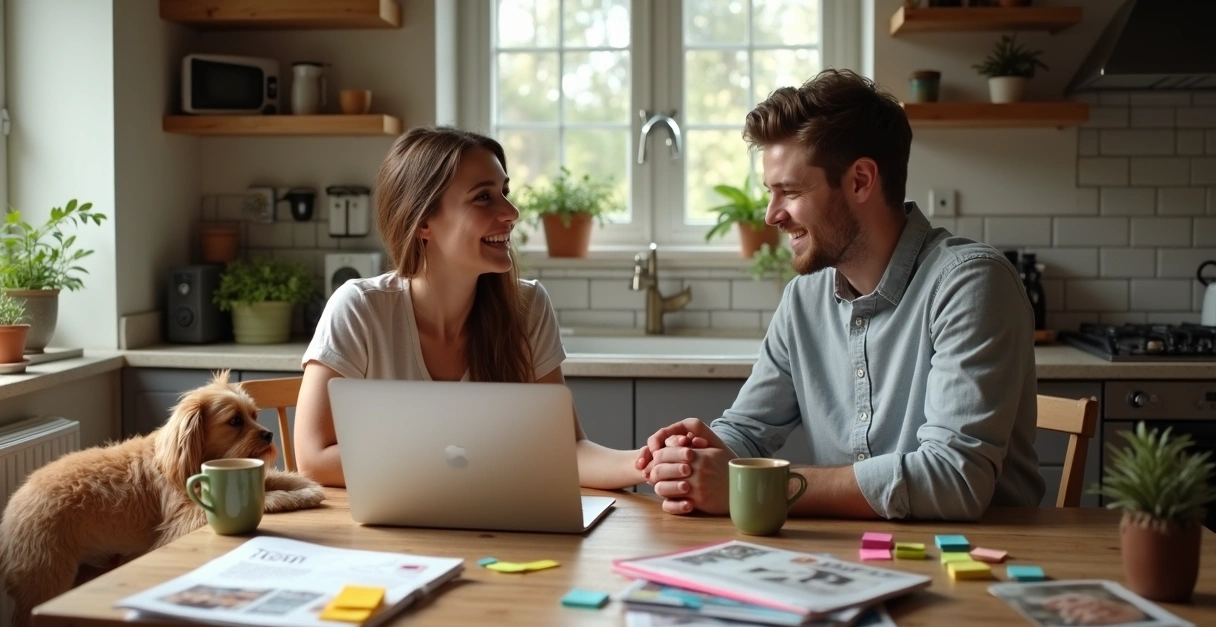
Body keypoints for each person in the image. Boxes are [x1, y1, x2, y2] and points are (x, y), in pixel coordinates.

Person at [637, 69, 1045, 520]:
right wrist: (695, 453)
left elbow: (953, 479)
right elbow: (750, 430)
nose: (772, 215)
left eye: (789, 191)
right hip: (845, 557)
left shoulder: (969, 284)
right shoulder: (803, 300)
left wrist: (760, 487)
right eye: (771, 193)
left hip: (979, 562)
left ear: (860, 181)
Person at [294, 125, 645, 490]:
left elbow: (566, 451)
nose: (511, 212)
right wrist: (482, 459)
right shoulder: (360, 310)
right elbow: (314, 459)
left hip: (497, 534)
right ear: (424, 221)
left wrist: (647, 463)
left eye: (504, 193)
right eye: (483, 198)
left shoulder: (528, 307)